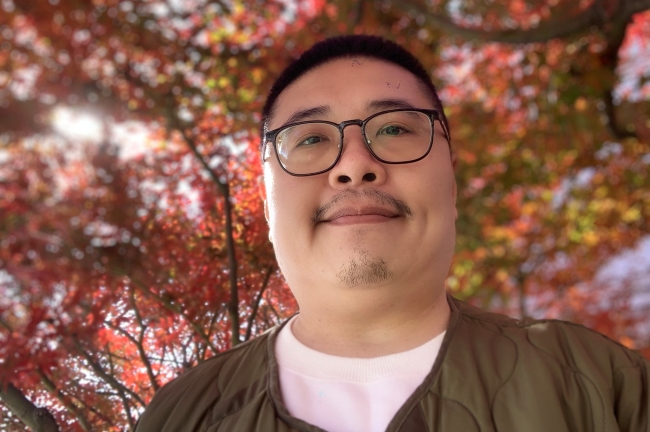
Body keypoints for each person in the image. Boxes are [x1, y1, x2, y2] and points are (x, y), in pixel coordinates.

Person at [135, 35, 649, 431]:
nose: (354, 165)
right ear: (267, 204)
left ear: (451, 181)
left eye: (395, 129)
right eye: (310, 139)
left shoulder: (599, 383)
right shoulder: (182, 414)